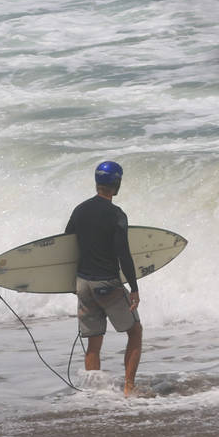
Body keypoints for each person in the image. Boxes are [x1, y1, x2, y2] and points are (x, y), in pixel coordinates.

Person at [65, 160, 142, 397]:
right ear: (116, 183)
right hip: (107, 284)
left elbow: (66, 244)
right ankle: (129, 387)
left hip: (83, 284)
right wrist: (134, 288)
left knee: (94, 341)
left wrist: (70, 283)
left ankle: (94, 393)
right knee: (135, 332)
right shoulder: (116, 215)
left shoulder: (80, 210)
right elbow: (123, 255)